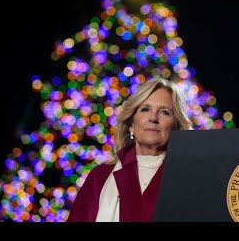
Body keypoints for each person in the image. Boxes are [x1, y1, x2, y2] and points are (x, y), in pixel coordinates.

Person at [67, 76, 193, 222]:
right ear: (131, 124)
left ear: (176, 127)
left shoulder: (187, 180)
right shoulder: (99, 177)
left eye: (164, 112)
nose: (153, 117)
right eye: (145, 109)